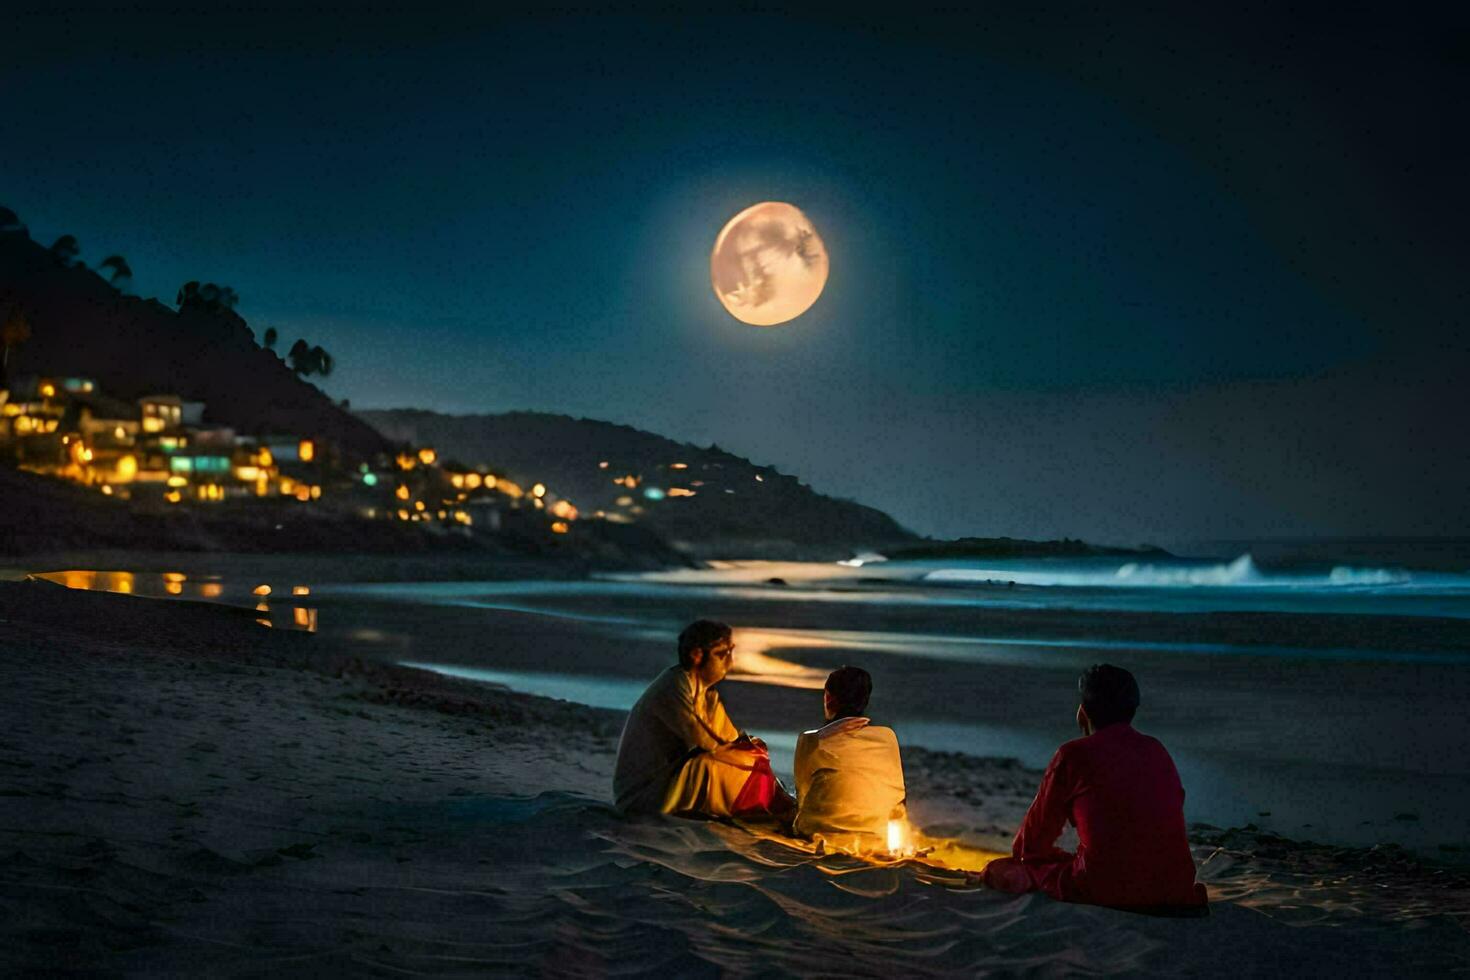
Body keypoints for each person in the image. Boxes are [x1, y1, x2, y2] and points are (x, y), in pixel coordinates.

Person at [982, 664, 1207, 912]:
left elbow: (1030, 846)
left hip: (1107, 888)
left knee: (1004, 869)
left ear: (1083, 712)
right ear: (1132, 710)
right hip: (1177, 887)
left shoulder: (1073, 754)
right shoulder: (1157, 750)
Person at [613, 620, 790, 818]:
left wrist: (750, 748)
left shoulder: (707, 694)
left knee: (750, 754)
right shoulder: (673, 686)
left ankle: (777, 807)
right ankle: (760, 810)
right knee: (708, 765)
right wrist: (743, 753)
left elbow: (729, 738)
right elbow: (703, 742)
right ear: (697, 655)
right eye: (722, 655)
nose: (729, 662)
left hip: (669, 781)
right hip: (641, 794)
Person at [792, 666, 906, 853]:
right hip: (877, 838)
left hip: (822, 838)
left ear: (829, 699)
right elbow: (899, 799)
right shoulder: (888, 737)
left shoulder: (811, 740)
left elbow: (802, 795)